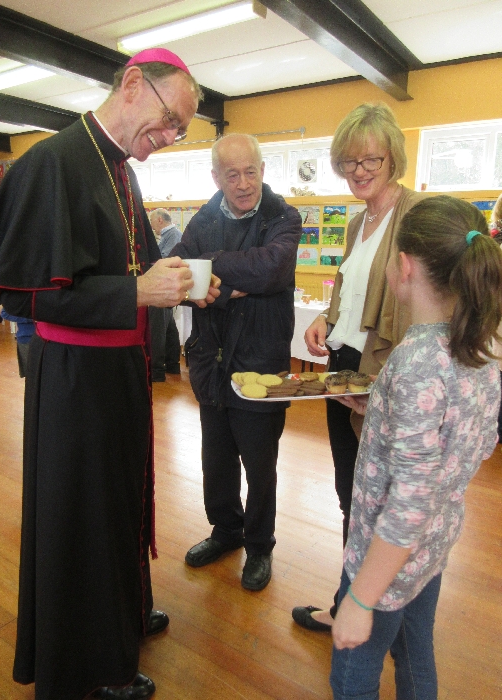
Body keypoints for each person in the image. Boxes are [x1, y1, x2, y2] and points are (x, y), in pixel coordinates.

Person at [0, 48, 220, 700]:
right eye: (170, 121)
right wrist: (137, 294)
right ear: (134, 84)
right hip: (75, 382)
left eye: (180, 131)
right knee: (85, 518)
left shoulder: (120, 171)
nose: (169, 137)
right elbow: (25, 298)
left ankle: (125, 616)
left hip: (118, 372)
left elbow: (138, 266)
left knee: (119, 502)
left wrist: (184, 283)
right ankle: (93, 667)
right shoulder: (51, 163)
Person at [328, 195, 502, 699]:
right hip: (432, 545)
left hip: (384, 559)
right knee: (416, 654)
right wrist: (382, 413)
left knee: (353, 677)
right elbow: (473, 441)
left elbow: (409, 499)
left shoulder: (416, 360)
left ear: (403, 266)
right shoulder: (480, 347)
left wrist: (360, 599)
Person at [292, 103, 426, 632]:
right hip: (344, 366)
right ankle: (352, 602)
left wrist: (388, 388)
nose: (360, 170)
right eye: (349, 161)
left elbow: (427, 306)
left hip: (383, 372)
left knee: (381, 498)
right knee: (350, 490)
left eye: (371, 159)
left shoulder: (415, 215)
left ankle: (366, 608)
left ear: (393, 158)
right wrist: (326, 318)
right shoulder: (357, 222)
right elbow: (351, 290)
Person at [171, 133, 302, 591]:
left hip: (261, 365)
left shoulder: (283, 217)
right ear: (216, 178)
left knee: (260, 465)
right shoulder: (202, 220)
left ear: (262, 170)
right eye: (232, 175)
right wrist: (234, 284)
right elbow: (178, 273)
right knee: (217, 460)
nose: (243, 183)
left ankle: (259, 545)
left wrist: (211, 267)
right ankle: (226, 531)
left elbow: (271, 269)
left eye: (250, 172)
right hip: (210, 362)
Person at [148, 209, 183, 380]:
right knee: (168, 326)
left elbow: (164, 260)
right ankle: (171, 364)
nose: (152, 226)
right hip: (166, 287)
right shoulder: (171, 235)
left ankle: (157, 370)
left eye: (152, 222)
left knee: (158, 329)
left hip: (162, 287)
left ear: (160, 220)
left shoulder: (172, 235)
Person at [0, 307, 35, 377]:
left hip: (48, 338)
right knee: (30, 374)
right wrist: (29, 319)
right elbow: (5, 313)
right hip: (26, 338)